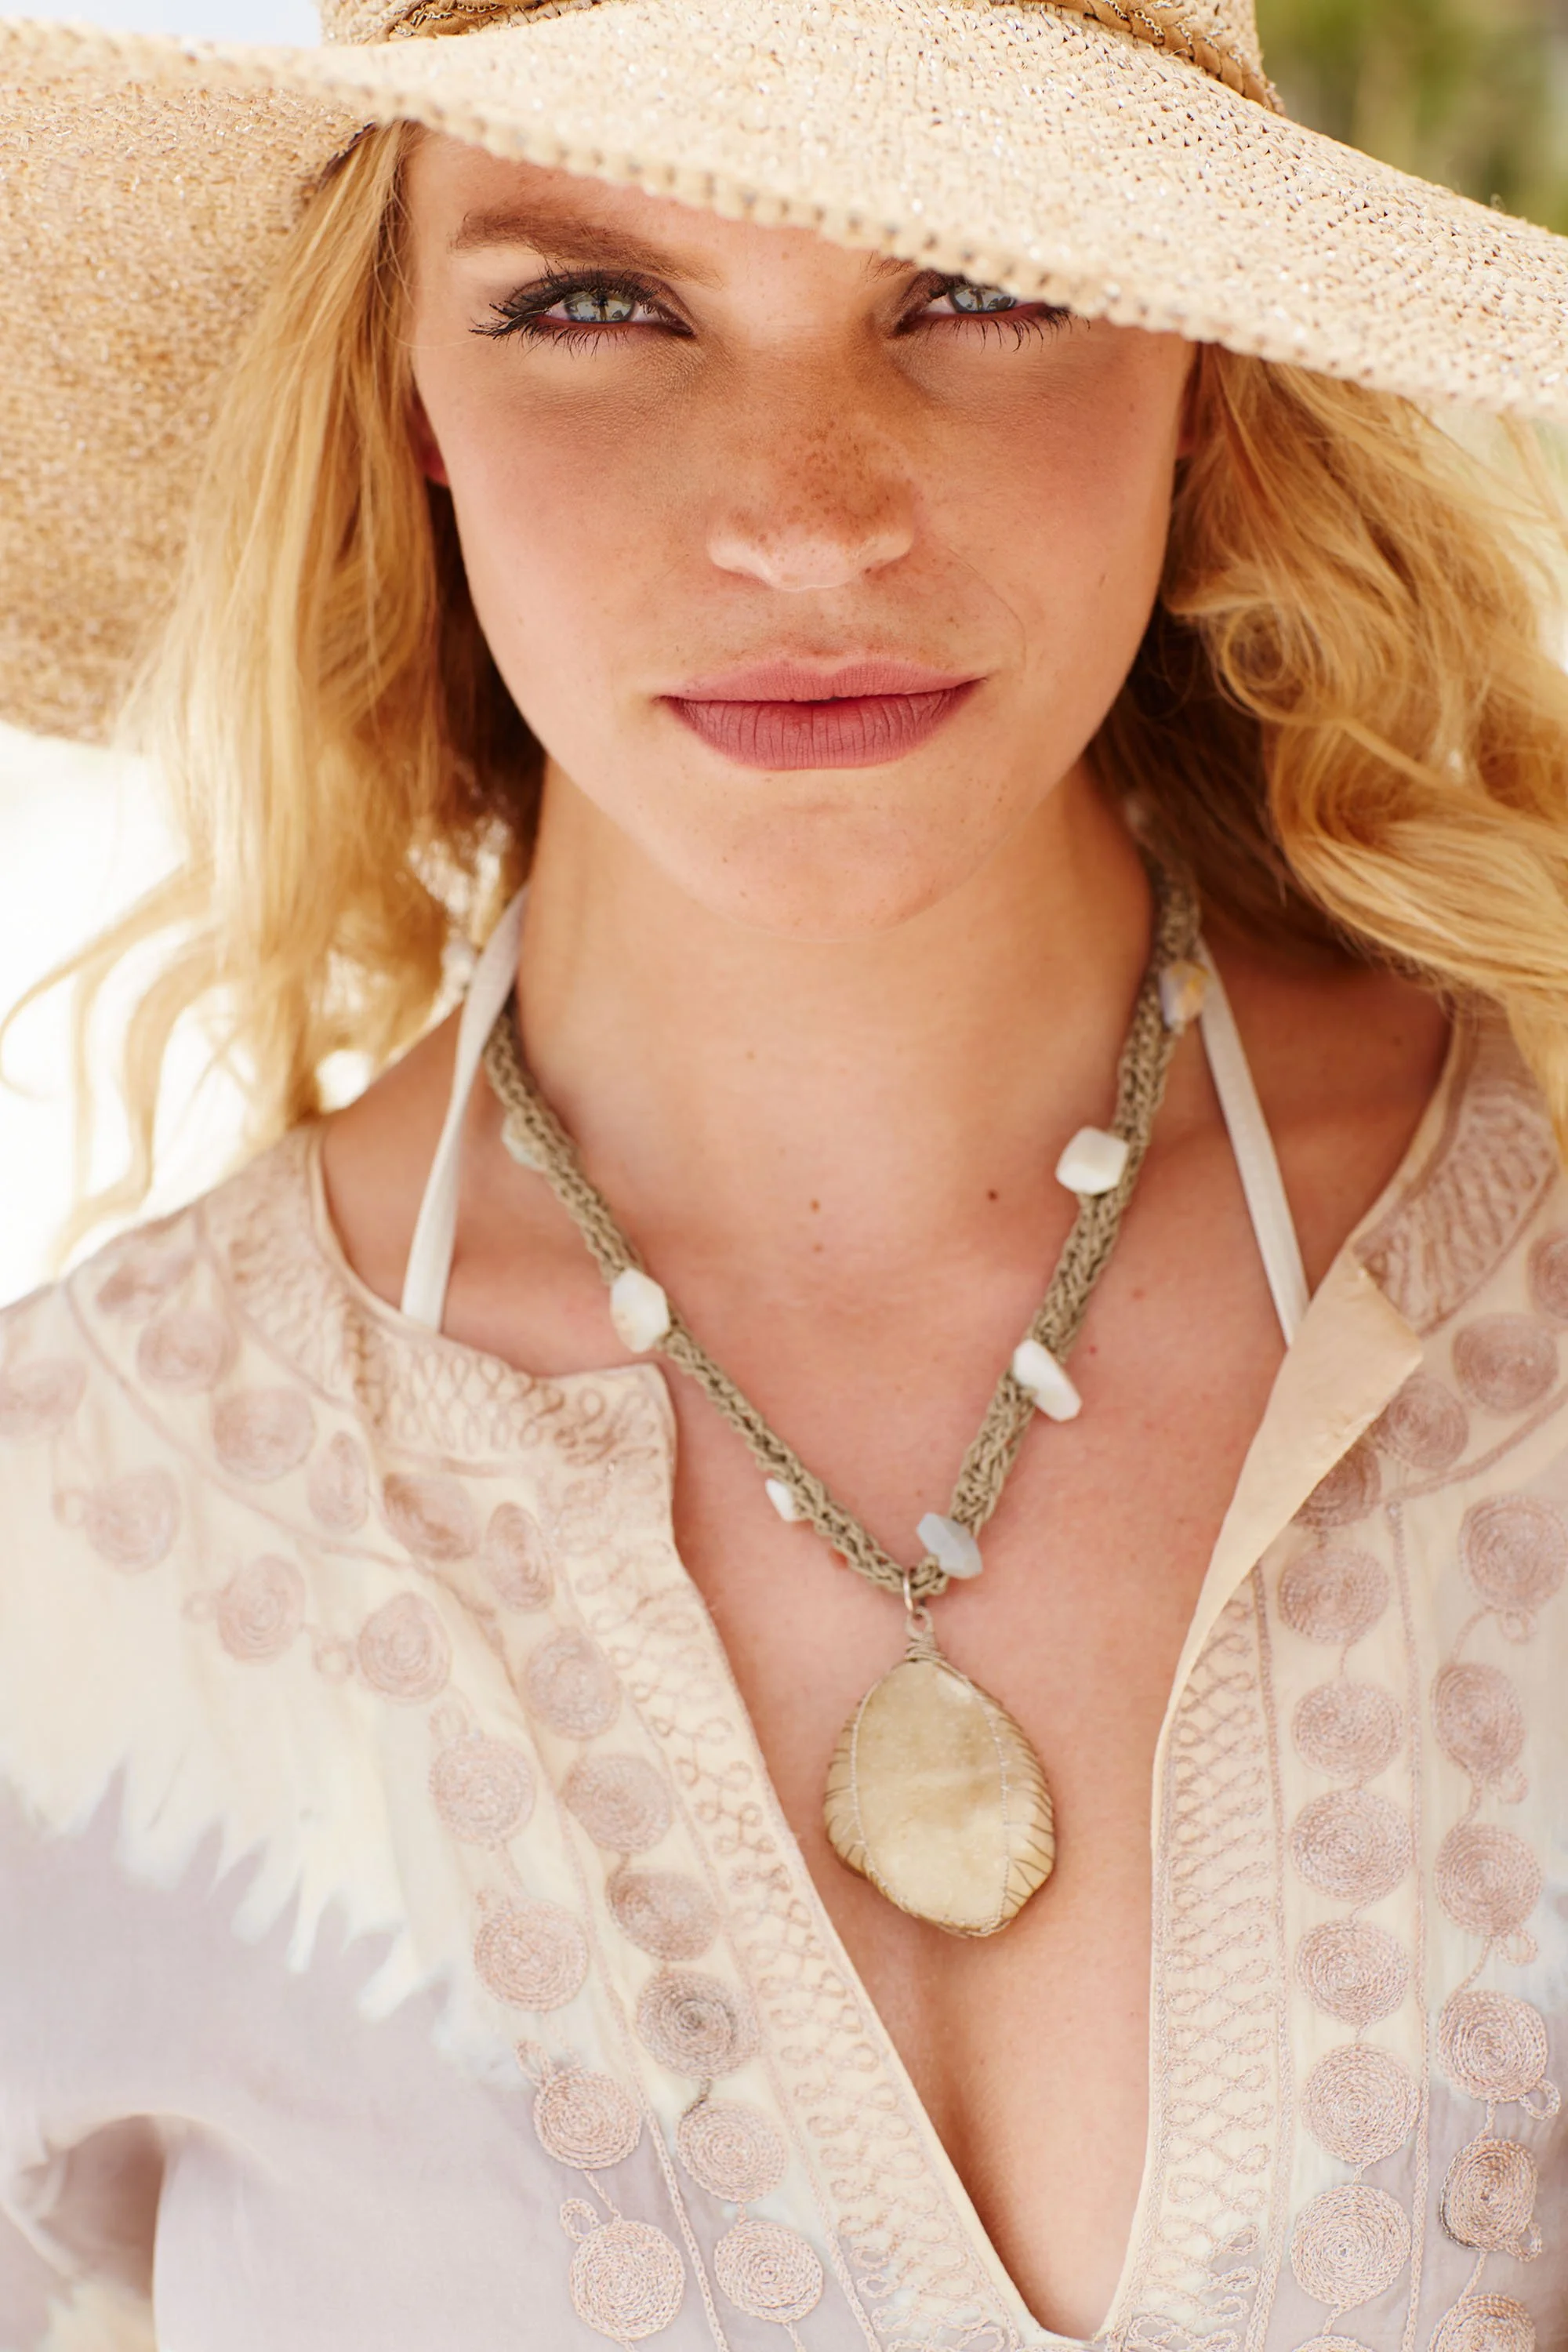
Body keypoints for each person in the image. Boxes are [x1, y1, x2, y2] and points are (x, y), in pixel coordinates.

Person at [2, 1, 1567, 2344]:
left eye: (981, 282)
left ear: (1204, 373)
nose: (807, 514)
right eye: (592, 305)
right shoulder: (66, 1558)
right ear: (405, 394)